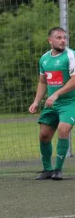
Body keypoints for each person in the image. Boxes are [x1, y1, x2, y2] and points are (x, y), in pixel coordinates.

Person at [29, 27, 75, 181]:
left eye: (64, 37)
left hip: (70, 102)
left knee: (63, 129)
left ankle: (58, 170)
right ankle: (47, 170)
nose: (63, 40)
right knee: (44, 135)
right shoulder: (44, 59)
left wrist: (56, 94)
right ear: (50, 40)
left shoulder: (70, 55)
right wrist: (36, 101)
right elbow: (43, 81)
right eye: (59, 37)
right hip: (52, 104)